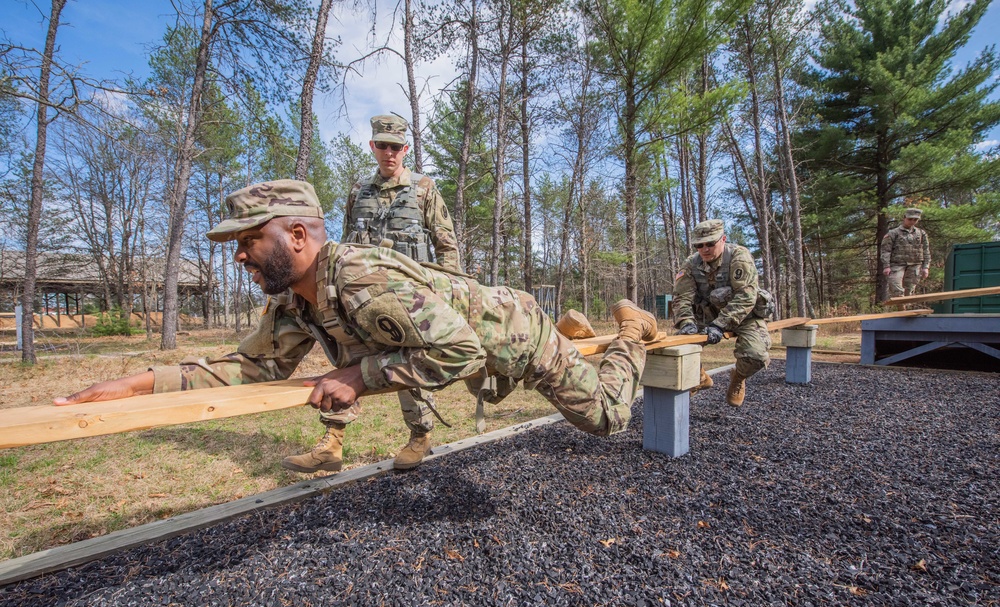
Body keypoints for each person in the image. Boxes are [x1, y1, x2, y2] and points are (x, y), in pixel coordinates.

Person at [54, 180, 658, 466]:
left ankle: (632, 330)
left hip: (513, 334)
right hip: (470, 348)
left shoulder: (364, 280)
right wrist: (131, 386)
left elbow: (464, 353)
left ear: (296, 236)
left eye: (246, 241)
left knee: (607, 417)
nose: (238, 256)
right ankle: (587, 331)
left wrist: (360, 376)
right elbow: (251, 367)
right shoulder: (295, 299)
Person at [284, 113, 462, 474]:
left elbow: (446, 245)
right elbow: (346, 245)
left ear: (405, 149)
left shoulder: (424, 189)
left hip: (410, 297)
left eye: (396, 147)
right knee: (348, 361)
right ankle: (332, 442)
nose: (389, 153)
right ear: (373, 147)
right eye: (382, 145)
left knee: (406, 365)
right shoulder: (358, 193)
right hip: (362, 295)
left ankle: (420, 435)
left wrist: (452, 292)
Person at [672, 219, 772, 408]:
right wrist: (686, 323)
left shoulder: (738, 257)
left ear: (723, 239)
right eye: (699, 245)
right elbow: (681, 297)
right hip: (707, 316)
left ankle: (739, 377)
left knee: (756, 356)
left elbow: (746, 297)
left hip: (743, 316)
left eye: (710, 243)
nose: (705, 249)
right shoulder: (691, 264)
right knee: (677, 350)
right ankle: (698, 377)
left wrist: (720, 325)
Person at [880, 208, 930, 299]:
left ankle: (906, 311)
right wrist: (886, 266)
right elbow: (885, 250)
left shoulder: (921, 233)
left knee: (909, 290)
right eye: (910, 219)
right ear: (904, 218)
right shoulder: (893, 233)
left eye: (915, 220)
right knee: (896, 289)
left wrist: (926, 266)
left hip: (915, 264)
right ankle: (902, 310)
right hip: (897, 264)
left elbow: (926, 250)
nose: (912, 222)